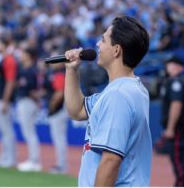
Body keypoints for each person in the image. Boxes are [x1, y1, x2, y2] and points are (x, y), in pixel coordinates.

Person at [64, 16, 152, 186]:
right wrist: (72, 71)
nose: (97, 44)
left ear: (116, 50)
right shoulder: (128, 89)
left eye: (103, 40)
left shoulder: (118, 95)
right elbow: (77, 110)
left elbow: (111, 160)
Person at [160, 56, 184, 187]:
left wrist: (170, 128)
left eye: (170, 64)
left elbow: (176, 105)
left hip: (177, 129)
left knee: (178, 162)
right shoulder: (175, 81)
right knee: (177, 161)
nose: (167, 67)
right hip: (179, 128)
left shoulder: (176, 82)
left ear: (179, 67)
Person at [0, 39, 17, 168]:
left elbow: (10, 82)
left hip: (3, 99)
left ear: (5, 46)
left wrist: (5, 101)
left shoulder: (9, 60)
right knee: (3, 130)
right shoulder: (0, 60)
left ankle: (10, 159)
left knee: (7, 130)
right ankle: (5, 157)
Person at [16, 49, 41, 172]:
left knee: (29, 132)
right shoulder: (23, 70)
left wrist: (36, 101)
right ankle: (32, 160)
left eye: (24, 53)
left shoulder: (31, 70)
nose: (21, 55)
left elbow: (33, 90)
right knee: (27, 132)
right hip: (23, 101)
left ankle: (34, 161)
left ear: (29, 56)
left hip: (28, 102)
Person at [43, 53, 69, 174]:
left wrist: (52, 107)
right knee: (59, 138)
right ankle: (61, 165)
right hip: (59, 109)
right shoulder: (56, 73)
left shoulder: (58, 74)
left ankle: (61, 166)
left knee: (59, 138)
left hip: (58, 109)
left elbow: (59, 93)